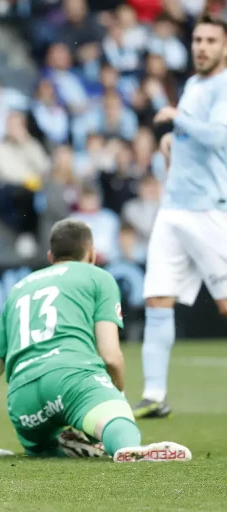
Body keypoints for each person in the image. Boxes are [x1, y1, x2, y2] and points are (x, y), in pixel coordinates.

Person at [0, 219, 192, 463]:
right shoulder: (98, 277)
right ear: (92, 254)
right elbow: (110, 355)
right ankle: (125, 445)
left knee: (42, 448)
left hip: (24, 401)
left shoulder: (19, 289)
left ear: (50, 256)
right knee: (114, 417)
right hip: (71, 378)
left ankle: (61, 443)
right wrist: (115, 398)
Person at [134, 15, 227, 419]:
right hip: (173, 208)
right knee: (157, 297)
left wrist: (175, 119)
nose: (201, 46)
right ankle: (155, 395)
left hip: (209, 208)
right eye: (197, 39)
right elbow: (196, 135)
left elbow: (219, 136)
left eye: (210, 40)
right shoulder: (193, 84)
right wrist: (175, 139)